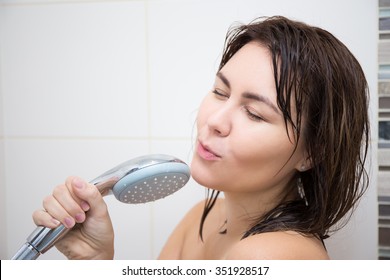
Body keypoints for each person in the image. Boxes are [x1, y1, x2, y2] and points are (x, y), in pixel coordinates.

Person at [32, 16, 370, 260]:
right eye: (220, 92)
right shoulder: (201, 216)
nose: (214, 122)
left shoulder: (273, 257)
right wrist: (97, 260)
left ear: (311, 152)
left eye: (254, 113)